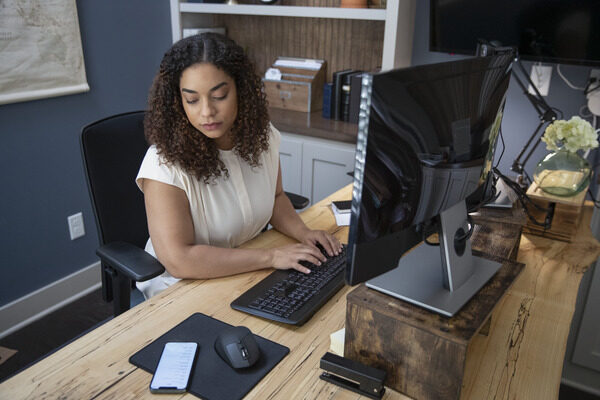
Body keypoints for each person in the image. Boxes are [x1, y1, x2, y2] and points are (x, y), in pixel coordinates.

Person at [136, 33, 342, 299]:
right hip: (181, 288)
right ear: (178, 102)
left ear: (241, 91)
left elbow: (276, 198)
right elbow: (179, 260)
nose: (207, 111)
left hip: (248, 267)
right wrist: (271, 256)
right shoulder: (163, 164)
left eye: (219, 95)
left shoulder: (262, 137)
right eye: (192, 100)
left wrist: (304, 233)